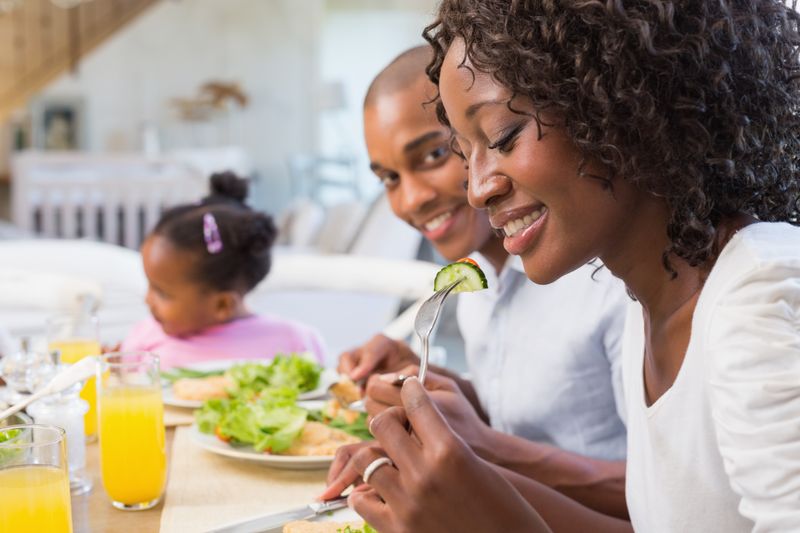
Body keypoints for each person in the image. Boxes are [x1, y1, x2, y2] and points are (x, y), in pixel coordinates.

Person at [339, 1, 800, 532]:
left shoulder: (760, 299)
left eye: (503, 137)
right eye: (467, 154)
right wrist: (451, 485)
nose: (478, 188)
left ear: (622, 102)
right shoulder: (649, 304)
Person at [322, 45, 630, 518]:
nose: (411, 200)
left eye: (435, 154)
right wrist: (434, 389)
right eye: (388, 178)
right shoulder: (476, 283)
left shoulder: (611, 281)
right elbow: (518, 419)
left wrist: (485, 447)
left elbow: (670, 494)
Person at [121, 172, 326, 368]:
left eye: (162, 293)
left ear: (223, 305)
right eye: (150, 285)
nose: (147, 299)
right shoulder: (145, 340)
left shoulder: (296, 343)